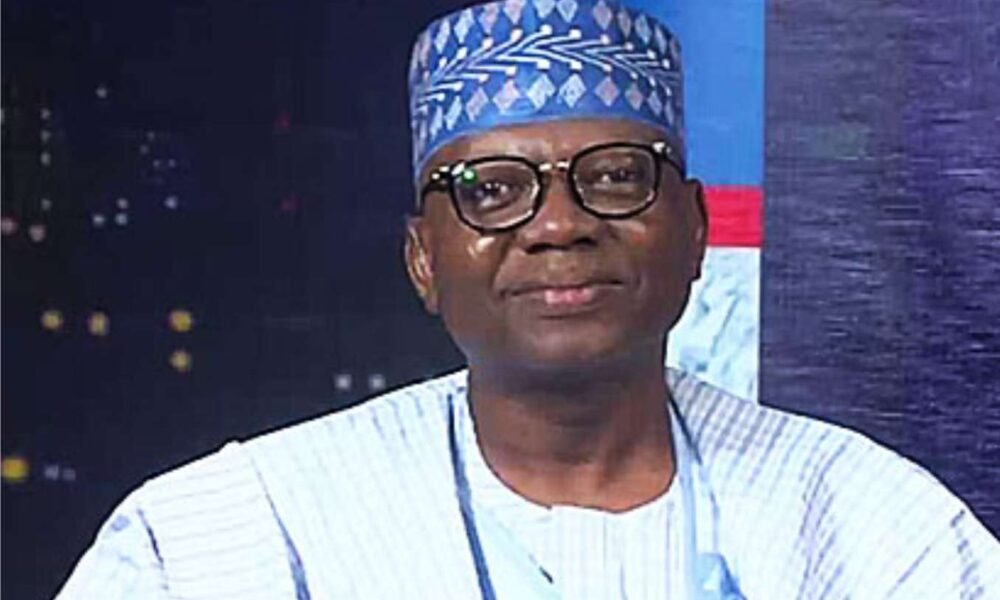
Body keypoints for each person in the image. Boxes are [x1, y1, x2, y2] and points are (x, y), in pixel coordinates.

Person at [56, 1, 1000, 598]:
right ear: (423, 260)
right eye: (492, 190)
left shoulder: (876, 531)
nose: (558, 225)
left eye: (617, 176)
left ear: (696, 229)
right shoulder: (228, 537)